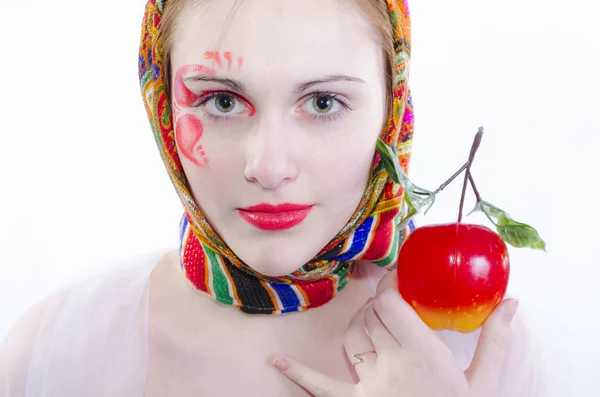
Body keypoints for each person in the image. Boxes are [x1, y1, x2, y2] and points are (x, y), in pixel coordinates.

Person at [0, 0, 571, 395]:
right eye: (222, 102)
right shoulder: (55, 354)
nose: (269, 168)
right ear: (161, 102)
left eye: (323, 103)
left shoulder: (484, 358)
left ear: (393, 110)